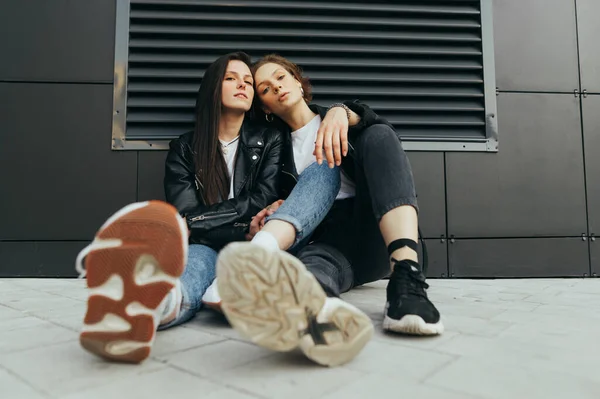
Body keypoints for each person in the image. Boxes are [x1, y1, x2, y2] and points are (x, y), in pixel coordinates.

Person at [74, 52, 365, 363]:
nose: (242, 85)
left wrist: (196, 224)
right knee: (189, 274)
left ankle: (279, 294)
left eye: (248, 82)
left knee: (322, 169)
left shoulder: (270, 139)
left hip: (259, 241)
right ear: (214, 87)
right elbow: (187, 215)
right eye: (231, 78)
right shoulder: (185, 150)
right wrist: (197, 224)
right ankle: (137, 314)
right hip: (209, 246)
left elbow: (260, 198)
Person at [215, 54, 444, 367]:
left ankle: (407, 280)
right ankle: (315, 312)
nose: (278, 88)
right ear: (265, 107)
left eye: (281, 77)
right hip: (326, 241)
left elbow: (385, 145)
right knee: (313, 272)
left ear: (298, 81)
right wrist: (273, 208)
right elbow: (276, 199)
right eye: (266, 88)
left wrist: (343, 111)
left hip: (375, 229)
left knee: (378, 134)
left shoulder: (345, 119)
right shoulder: (272, 149)